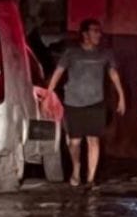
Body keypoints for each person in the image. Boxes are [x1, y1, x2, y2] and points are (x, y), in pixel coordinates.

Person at [47, 18, 124, 186]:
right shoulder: (71, 53)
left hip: (96, 103)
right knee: (74, 142)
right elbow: (58, 72)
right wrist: (48, 95)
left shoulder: (105, 53)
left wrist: (121, 96)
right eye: (95, 31)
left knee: (93, 140)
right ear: (85, 34)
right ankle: (76, 168)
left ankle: (90, 179)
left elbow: (113, 74)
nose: (98, 34)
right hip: (73, 103)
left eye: (99, 31)